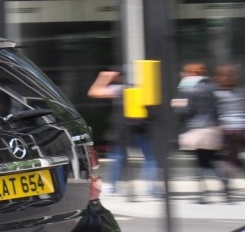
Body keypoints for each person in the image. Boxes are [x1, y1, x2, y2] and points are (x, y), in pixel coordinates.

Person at [87, 68, 159, 198]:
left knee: (119, 158)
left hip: (123, 129)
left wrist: (104, 77)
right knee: (149, 158)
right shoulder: (144, 90)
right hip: (140, 128)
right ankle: (151, 189)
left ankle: (114, 187)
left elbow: (93, 92)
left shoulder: (119, 89)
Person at [171, 62, 227, 203]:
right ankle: (224, 184)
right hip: (212, 129)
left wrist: (177, 103)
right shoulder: (212, 87)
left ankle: (204, 192)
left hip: (197, 129)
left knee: (201, 162)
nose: (183, 75)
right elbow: (217, 109)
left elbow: (186, 110)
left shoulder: (191, 89)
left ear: (193, 73)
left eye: (185, 72)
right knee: (209, 160)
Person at [213, 64, 244, 200]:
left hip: (226, 130)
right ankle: (227, 187)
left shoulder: (215, 94)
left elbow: (214, 113)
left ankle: (227, 189)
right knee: (233, 158)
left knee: (229, 160)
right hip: (241, 128)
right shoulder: (241, 92)